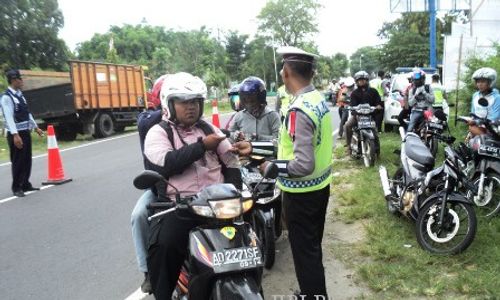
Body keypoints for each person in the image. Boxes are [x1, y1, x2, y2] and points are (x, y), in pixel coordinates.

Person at [143, 72, 242, 299]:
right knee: (164, 247)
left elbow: (231, 161)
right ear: (170, 104)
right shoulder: (159, 132)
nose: (192, 107)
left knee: (247, 241)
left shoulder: (209, 129)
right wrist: (202, 147)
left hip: (219, 205)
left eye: (196, 102)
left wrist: (235, 191)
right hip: (181, 207)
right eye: (184, 102)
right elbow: (166, 164)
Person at [260, 46, 333, 299]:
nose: (281, 72)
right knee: (311, 249)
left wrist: (271, 167)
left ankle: (313, 295)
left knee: (305, 254)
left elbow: (303, 164)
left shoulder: (298, 109)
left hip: (302, 196)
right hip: (320, 188)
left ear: (288, 71)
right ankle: (313, 292)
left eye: (283, 67)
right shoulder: (317, 99)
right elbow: (289, 144)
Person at [130, 74, 169, 294]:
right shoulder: (148, 121)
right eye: (174, 99)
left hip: (192, 187)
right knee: (138, 216)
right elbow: (146, 120)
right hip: (160, 187)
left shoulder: (195, 123)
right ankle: (148, 272)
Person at [0, 69, 44, 197]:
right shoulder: (7, 97)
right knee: (18, 160)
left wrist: (36, 127)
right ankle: (16, 187)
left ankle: (25, 183)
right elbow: (8, 117)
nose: (22, 81)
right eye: (20, 79)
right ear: (14, 80)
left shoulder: (20, 95)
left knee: (26, 159)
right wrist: (15, 135)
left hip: (25, 131)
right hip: (16, 134)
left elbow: (27, 113)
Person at [229, 76, 280, 142]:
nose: (249, 101)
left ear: (261, 97)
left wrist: (259, 137)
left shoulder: (272, 115)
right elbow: (229, 134)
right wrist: (235, 135)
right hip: (244, 151)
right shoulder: (238, 116)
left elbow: (279, 138)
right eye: (245, 99)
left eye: (252, 99)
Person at [345, 70, 382, 156]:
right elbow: (352, 105)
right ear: (356, 82)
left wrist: (378, 106)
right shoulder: (354, 93)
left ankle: (377, 150)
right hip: (358, 116)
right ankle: (348, 147)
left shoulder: (374, 91)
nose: (361, 81)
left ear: (367, 80)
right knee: (347, 125)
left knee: (374, 132)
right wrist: (354, 112)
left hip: (370, 117)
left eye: (363, 79)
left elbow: (378, 103)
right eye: (359, 80)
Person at [468, 67, 500, 137]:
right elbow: (473, 112)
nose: (480, 84)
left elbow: (494, 118)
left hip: (492, 129)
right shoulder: (475, 96)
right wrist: (471, 119)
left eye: (483, 81)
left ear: (490, 82)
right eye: (478, 81)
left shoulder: (497, 97)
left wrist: (478, 122)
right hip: (476, 127)